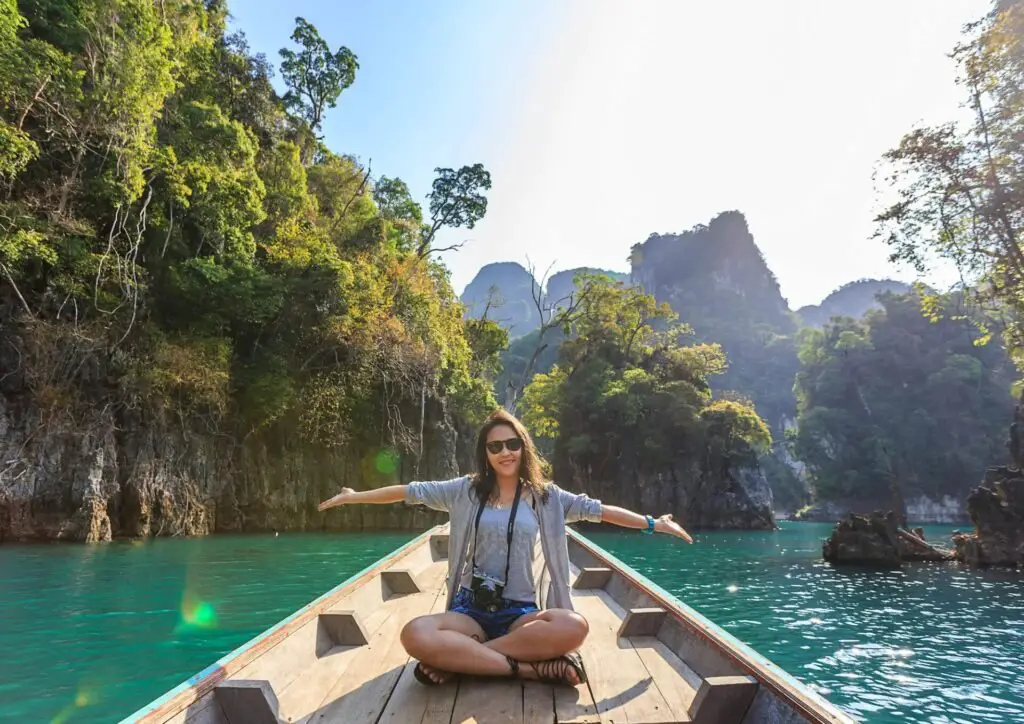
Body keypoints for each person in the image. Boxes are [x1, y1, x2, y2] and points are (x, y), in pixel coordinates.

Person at [317, 409, 693, 687]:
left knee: (573, 625)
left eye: (512, 443)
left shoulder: (548, 498)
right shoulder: (464, 490)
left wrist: (652, 523)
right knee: (415, 634)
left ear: (523, 447)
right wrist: (353, 497)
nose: (505, 452)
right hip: (471, 610)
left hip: (520, 612)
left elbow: (601, 511)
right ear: (486, 452)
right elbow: (407, 491)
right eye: (495, 446)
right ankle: (526, 668)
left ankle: (465, 659)